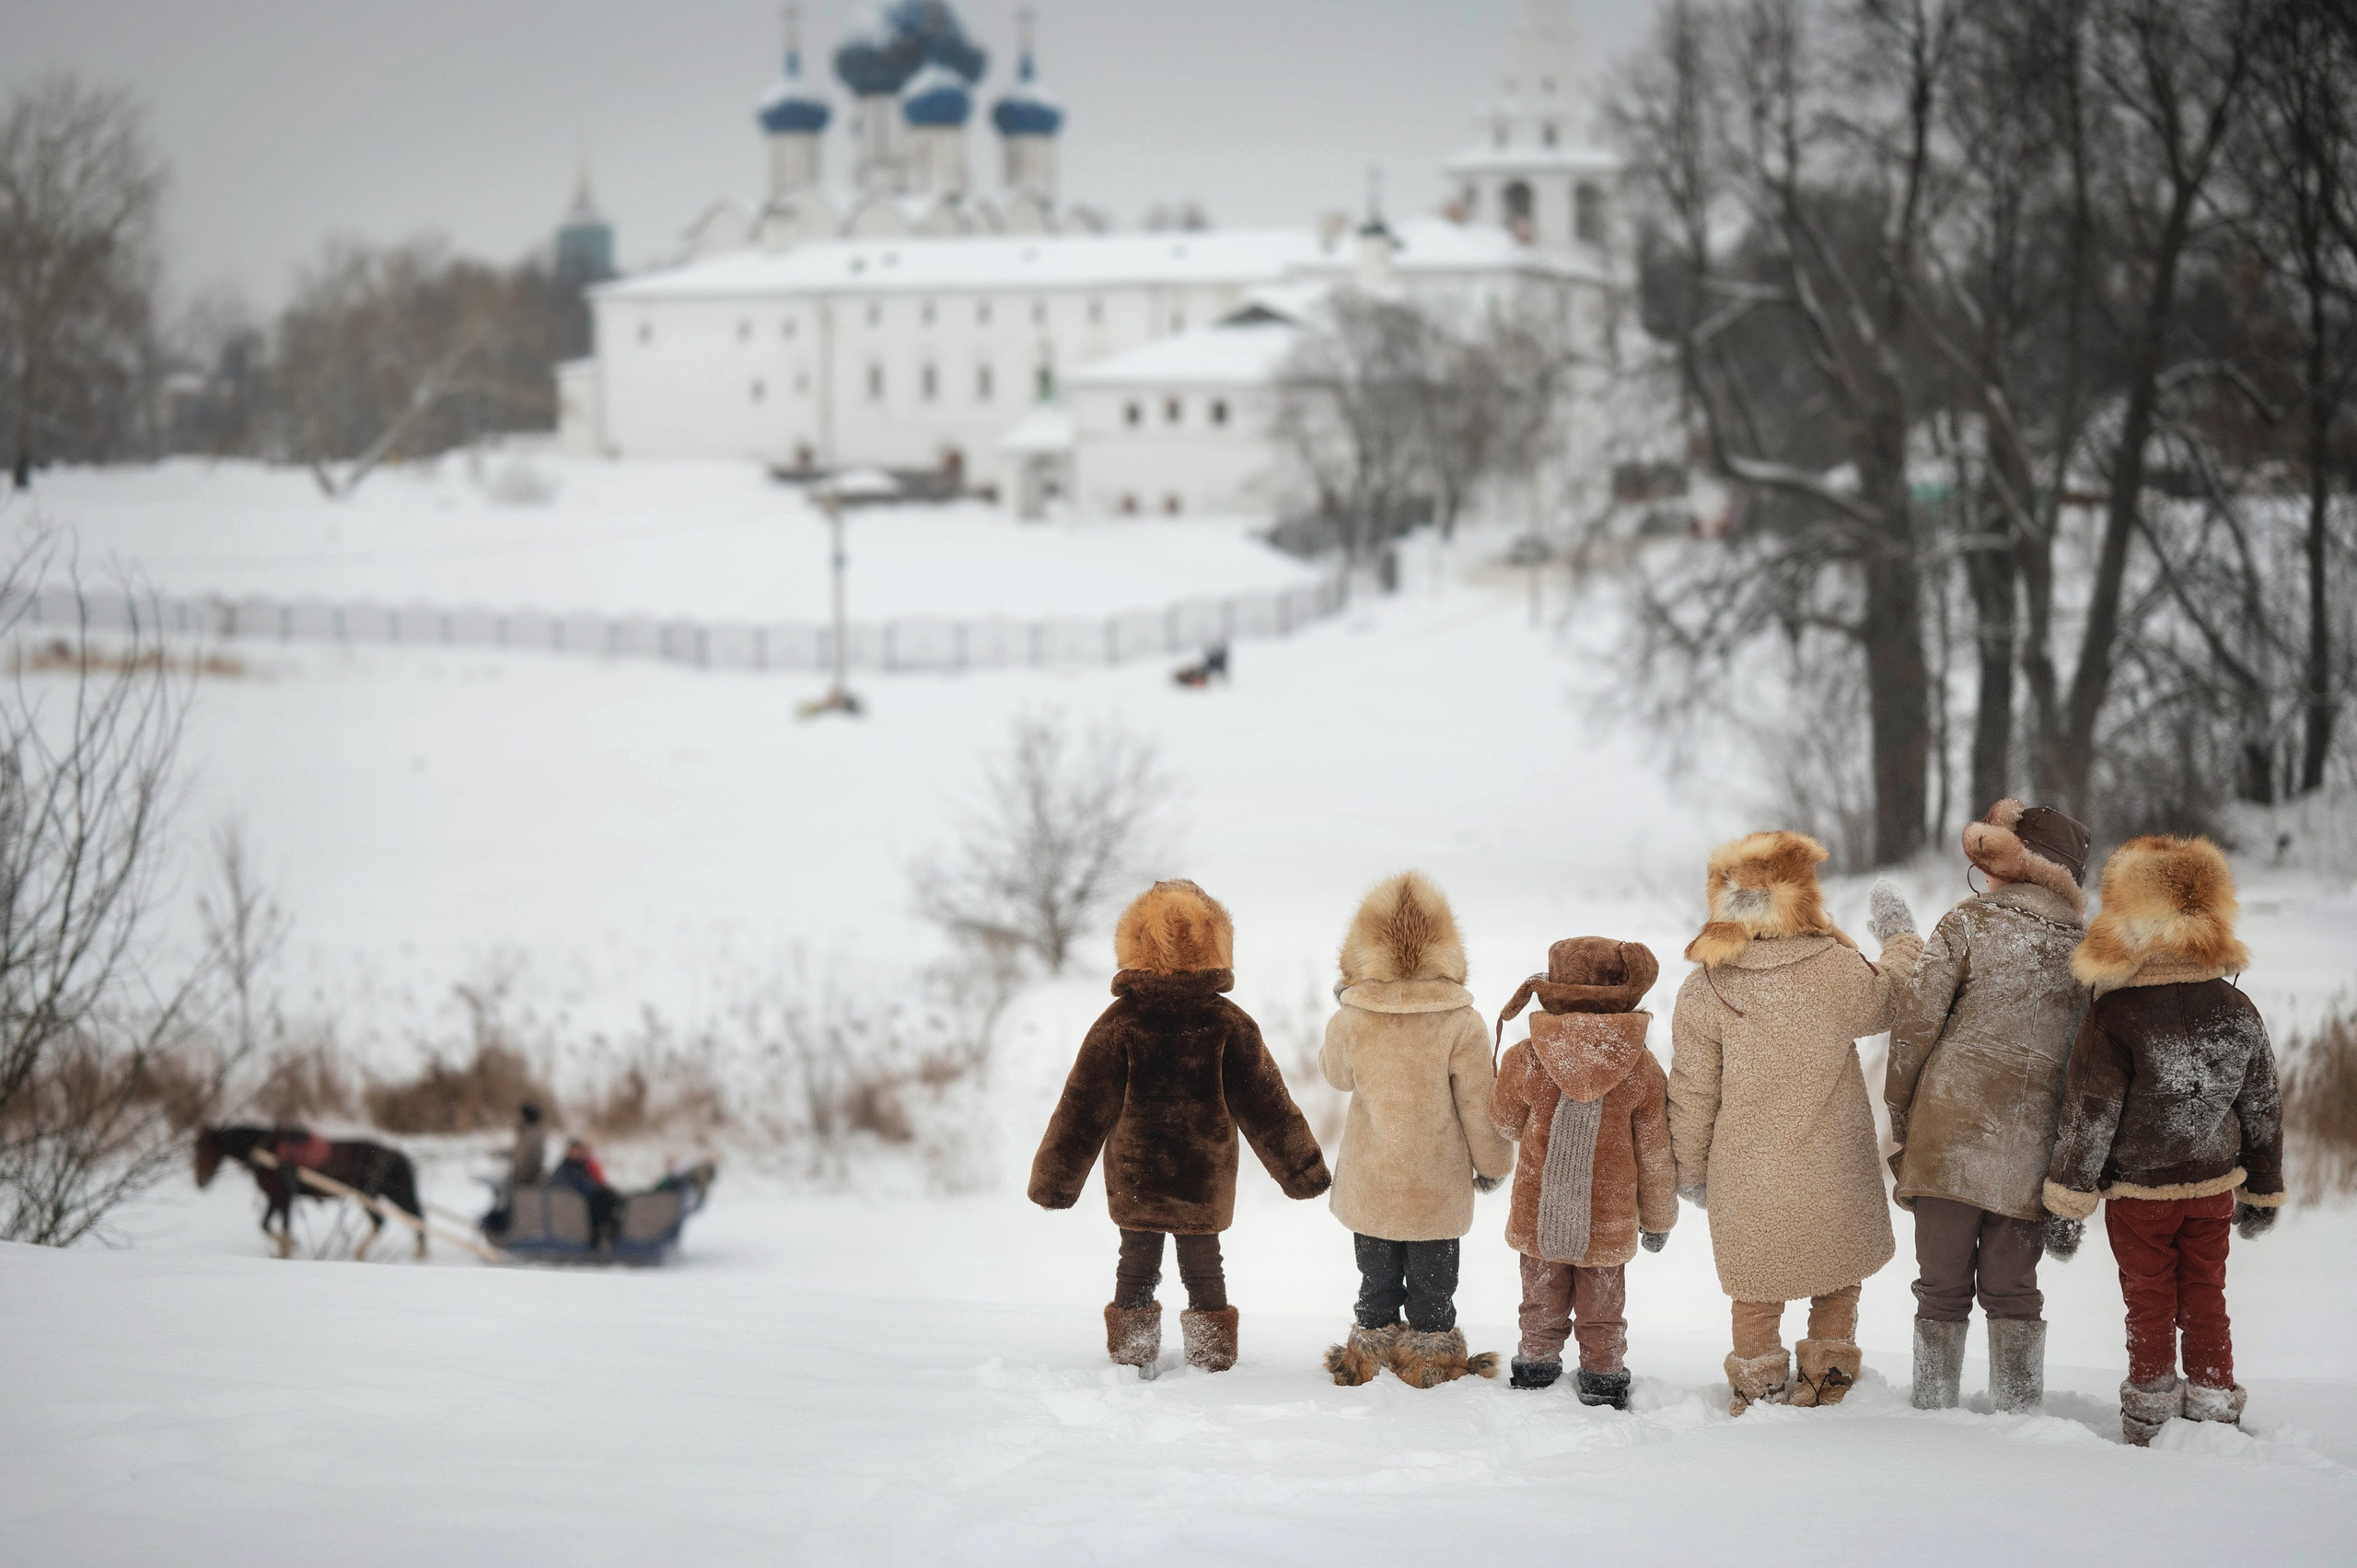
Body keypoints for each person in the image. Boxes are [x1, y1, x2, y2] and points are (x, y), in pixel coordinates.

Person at [1029, 879, 1330, 1376]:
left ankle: (1131, 1357)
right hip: (1202, 1178)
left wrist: (1055, 1180)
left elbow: (1081, 1109)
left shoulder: (1118, 1023)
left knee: (1135, 1267)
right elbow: (1268, 1106)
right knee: (1204, 1268)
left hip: (1137, 1176)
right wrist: (1301, 1170)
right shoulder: (1229, 1023)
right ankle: (1212, 1361)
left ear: (1134, 946)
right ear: (1216, 945)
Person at [1667, 831, 1923, 1414]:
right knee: (1837, 1277)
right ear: (1802, 894)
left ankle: (1756, 1391)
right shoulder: (1834, 969)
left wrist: (1691, 1171)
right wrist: (1901, 938)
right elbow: (1898, 994)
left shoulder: (1706, 987)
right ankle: (1827, 1381)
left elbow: (1692, 1092)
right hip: (1834, 1169)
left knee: (1756, 1292)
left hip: (1747, 1177)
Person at [2043, 834, 2286, 1446]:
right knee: (2206, 1291)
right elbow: (2263, 1105)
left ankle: (2150, 1413)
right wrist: (2263, 1186)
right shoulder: (2235, 1006)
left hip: (2140, 1195)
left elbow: (2090, 1112)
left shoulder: (2116, 1013)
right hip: (2213, 1188)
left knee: (2148, 1298)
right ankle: (2213, 1400)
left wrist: (2069, 1200)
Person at [1886, 799, 2091, 1413]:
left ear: (2012, 862)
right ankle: (2019, 1411)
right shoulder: (2090, 953)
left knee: (1940, 1287)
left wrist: (1902, 1109)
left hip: (1947, 1135)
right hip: (2033, 1149)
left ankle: (1933, 1406)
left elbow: (1915, 1024)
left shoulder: (1968, 921)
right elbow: (2095, 1063)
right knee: (2014, 1289)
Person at [1316, 873, 1515, 1389]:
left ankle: (1368, 1357)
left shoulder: (1353, 1018)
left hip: (1372, 1183)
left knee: (1375, 1281)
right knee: (1434, 1287)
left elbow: (1336, 1076)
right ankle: (1431, 1362)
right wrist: (1493, 1165)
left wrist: (1346, 1000)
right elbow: (1479, 1104)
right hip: (1436, 1187)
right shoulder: (1462, 1021)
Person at [1490, 937, 1678, 1409]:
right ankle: (1603, 1381)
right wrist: (1658, 1219)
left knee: (1540, 1302)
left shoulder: (1526, 1057)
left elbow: (1506, 1123)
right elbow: (1654, 1153)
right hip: (1608, 1219)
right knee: (1603, 1311)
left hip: (1540, 1214)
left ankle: (1535, 1373)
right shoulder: (1642, 1067)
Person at [551, 1136, 621, 1249]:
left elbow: (593, 1181)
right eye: (573, 1150)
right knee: (602, 1201)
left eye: (577, 1150)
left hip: (589, 1196)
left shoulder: (583, 1165)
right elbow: (563, 1183)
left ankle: (611, 1232)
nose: (575, 1153)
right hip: (576, 1200)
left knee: (609, 1198)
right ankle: (599, 1236)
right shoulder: (564, 1168)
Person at [510, 1102, 547, 1188]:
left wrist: (526, 1176)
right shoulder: (525, 1131)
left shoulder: (534, 1134)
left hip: (527, 1179)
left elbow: (535, 1158)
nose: (519, 1118)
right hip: (520, 1176)